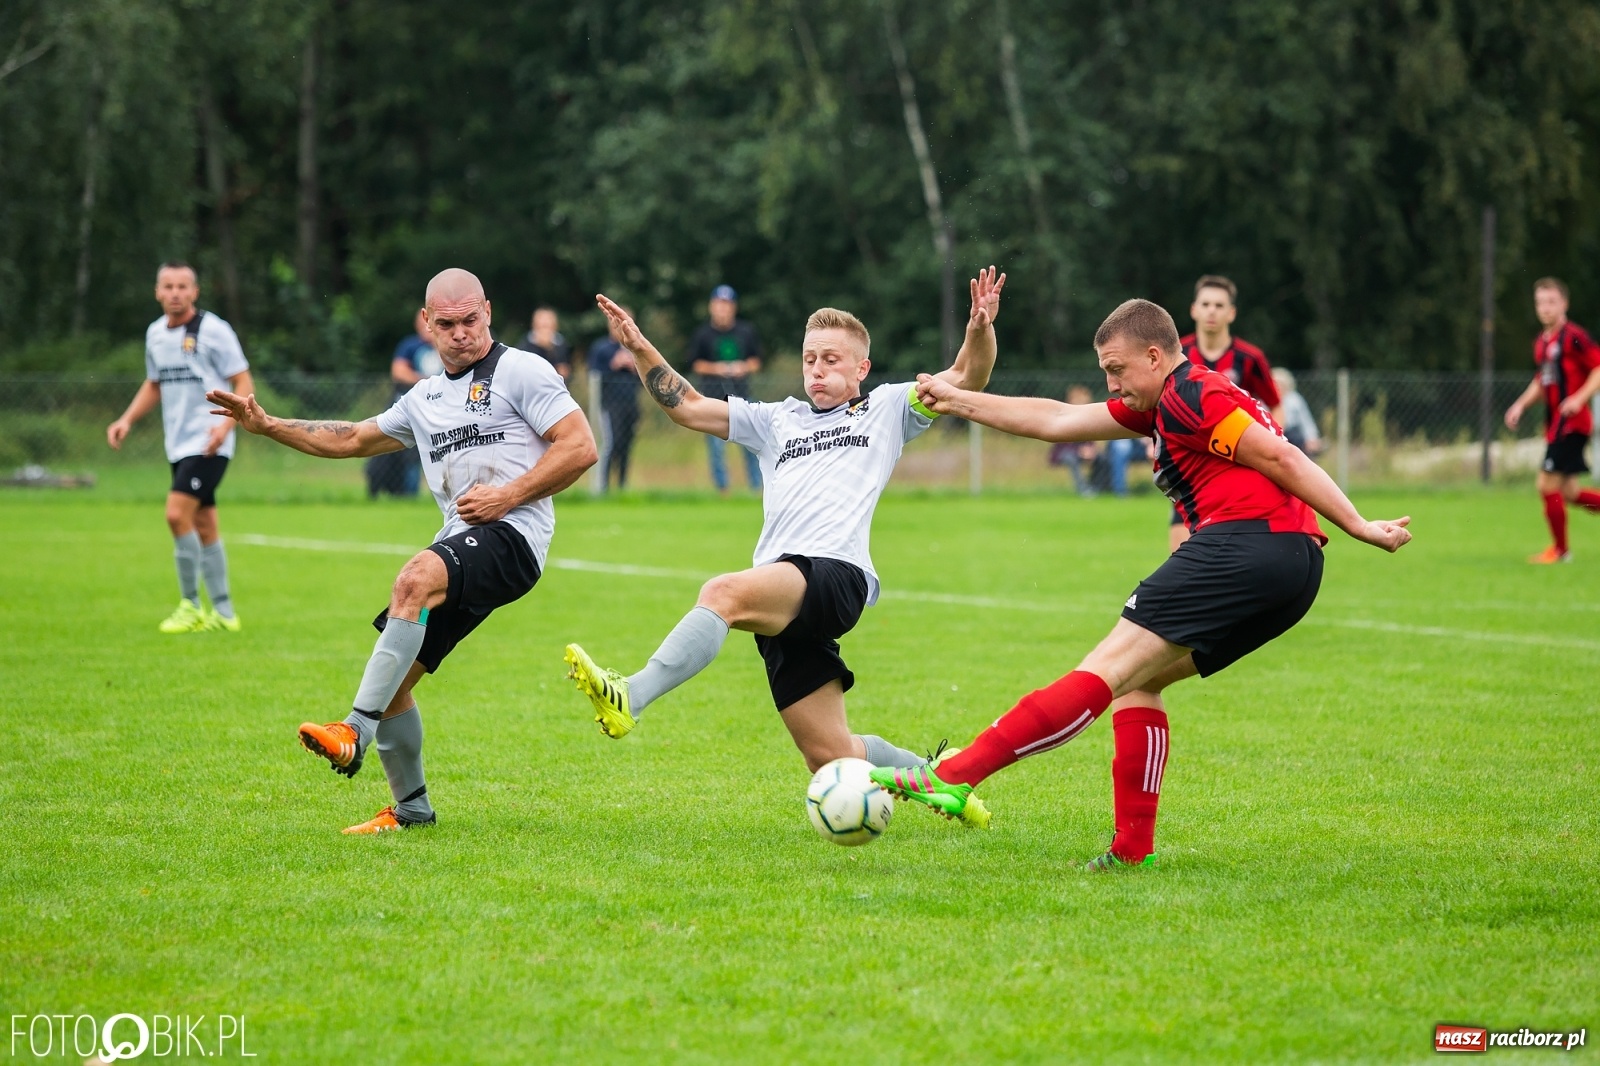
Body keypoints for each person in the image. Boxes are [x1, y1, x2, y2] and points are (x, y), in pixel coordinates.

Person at [870, 298, 1411, 869]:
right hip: (1294, 569)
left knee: (1103, 670)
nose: (1110, 382)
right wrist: (958, 400)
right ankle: (1131, 853)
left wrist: (1357, 525)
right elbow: (1056, 421)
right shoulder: (1166, 402)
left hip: (1246, 546)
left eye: (1116, 368)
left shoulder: (1191, 395)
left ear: (1155, 357)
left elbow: (1281, 455)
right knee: (1136, 683)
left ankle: (953, 776)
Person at [564, 269, 1006, 820]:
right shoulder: (777, 420)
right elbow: (688, 407)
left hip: (833, 574)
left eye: (832, 359)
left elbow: (969, 374)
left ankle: (631, 695)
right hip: (785, 588)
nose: (817, 369)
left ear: (862, 368)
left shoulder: (888, 407)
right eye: (810, 359)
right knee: (830, 756)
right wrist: (639, 346)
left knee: (722, 592)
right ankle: (945, 781)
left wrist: (979, 326)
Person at [207, 268, 597, 834]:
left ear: (487, 312)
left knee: (413, 579)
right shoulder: (424, 398)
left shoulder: (522, 370)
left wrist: (508, 495)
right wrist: (269, 426)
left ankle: (352, 732)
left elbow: (580, 447)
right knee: (393, 679)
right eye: (447, 324)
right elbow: (352, 438)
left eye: (470, 320)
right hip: (462, 541)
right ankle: (411, 809)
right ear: (426, 325)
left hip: (514, 538)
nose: (461, 333)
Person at [106, 261, 254, 634]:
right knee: (204, 523)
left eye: (182, 287)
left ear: (194, 291)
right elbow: (154, 383)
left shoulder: (214, 330)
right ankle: (224, 613)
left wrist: (226, 424)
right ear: (157, 292)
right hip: (178, 444)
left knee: (176, 515)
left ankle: (189, 605)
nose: (175, 293)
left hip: (209, 443)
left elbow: (242, 378)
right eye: (168, 286)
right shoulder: (155, 334)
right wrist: (125, 420)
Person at [1169, 275, 1284, 550]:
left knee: (1236, 554)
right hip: (1191, 469)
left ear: (1231, 313)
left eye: (1219, 305)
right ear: (1193, 309)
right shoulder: (1175, 354)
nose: (1212, 310)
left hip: (1237, 468)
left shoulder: (1249, 358)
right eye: (1206, 304)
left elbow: (1276, 405)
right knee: (1180, 557)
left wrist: (1274, 447)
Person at [1504, 277, 1600, 563]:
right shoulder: (1542, 343)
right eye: (1540, 302)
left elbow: (1597, 369)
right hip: (1556, 426)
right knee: (1569, 492)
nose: (1545, 308)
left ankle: (1561, 551)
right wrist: (1520, 404)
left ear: (1564, 304)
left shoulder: (1574, 336)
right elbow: (1542, 381)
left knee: (1546, 485)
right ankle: (1560, 550)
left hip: (1572, 424)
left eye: (1551, 302)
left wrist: (1578, 399)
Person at [688, 284, 762, 492]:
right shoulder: (702, 334)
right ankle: (723, 490)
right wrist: (718, 369)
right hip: (713, 399)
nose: (723, 309)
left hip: (743, 398)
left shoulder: (746, 331)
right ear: (712, 306)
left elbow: (756, 362)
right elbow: (696, 364)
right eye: (719, 304)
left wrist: (742, 367)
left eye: (727, 305)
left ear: (733, 307)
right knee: (716, 448)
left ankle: (756, 489)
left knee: (752, 445)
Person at [365, 309, 443, 497]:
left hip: (439, 409)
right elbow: (398, 372)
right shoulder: (409, 345)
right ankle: (408, 495)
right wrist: (427, 382)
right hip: (410, 407)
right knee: (406, 452)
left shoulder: (445, 345)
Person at [587, 306, 642, 491]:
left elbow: (647, 378)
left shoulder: (636, 348)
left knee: (626, 445)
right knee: (612, 443)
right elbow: (594, 377)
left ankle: (622, 486)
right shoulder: (601, 348)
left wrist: (634, 367)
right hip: (609, 405)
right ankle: (602, 487)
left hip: (630, 404)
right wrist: (614, 365)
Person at [1271, 367, 1323, 456]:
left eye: (1281, 384)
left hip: (1292, 434)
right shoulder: (1265, 400)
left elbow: (1306, 421)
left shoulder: (1295, 400)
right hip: (1271, 433)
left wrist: (1312, 438)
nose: (1278, 387)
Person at [524, 306, 572, 381]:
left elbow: (565, 370)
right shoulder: (525, 345)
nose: (545, 323)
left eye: (548, 320)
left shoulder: (561, 344)